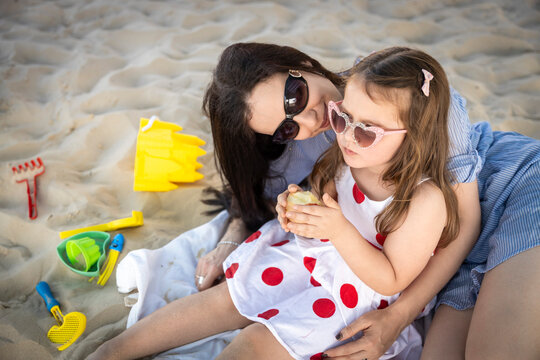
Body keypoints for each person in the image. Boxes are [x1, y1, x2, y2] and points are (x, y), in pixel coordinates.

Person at [88, 46, 460, 360]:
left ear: (416, 135)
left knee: (254, 344)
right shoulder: (347, 154)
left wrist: (339, 230)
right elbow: (321, 195)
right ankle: (112, 351)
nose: (342, 133)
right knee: (225, 300)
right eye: (343, 117)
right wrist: (297, 208)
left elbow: (390, 278)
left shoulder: (424, 199)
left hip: (355, 293)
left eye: (364, 129)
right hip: (314, 255)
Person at [198, 43, 539, 359]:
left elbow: (465, 223)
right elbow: (256, 192)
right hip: (431, 239)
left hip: (509, 189)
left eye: (296, 95)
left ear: (302, 65)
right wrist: (235, 231)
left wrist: (396, 317)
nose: (312, 120)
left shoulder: (401, 92)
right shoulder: (299, 141)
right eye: (285, 128)